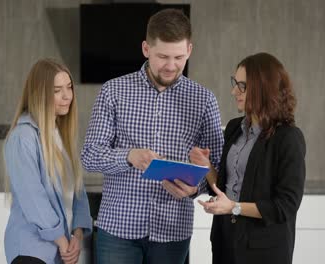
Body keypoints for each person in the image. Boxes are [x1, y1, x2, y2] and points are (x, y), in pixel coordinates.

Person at [81, 8, 224, 264]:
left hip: (172, 231)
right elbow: (89, 156)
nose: (171, 66)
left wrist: (195, 188)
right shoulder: (113, 91)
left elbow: (218, 171)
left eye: (179, 57)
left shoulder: (203, 101)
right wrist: (129, 156)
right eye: (163, 57)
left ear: (190, 50)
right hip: (118, 229)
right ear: (146, 49)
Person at [191, 52, 306, 264]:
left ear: (263, 87)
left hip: (264, 251)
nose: (234, 91)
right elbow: (226, 187)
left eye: (242, 85)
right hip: (225, 242)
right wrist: (206, 166)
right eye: (235, 83)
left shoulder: (288, 138)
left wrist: (234, 207)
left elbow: (285, 206)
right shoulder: (234, 128)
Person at [3, 58, 92, 264]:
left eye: (69, 87)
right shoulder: (23, 137)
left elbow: (78, 192)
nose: (67, 96)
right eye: (56, 90)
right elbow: (34, 198)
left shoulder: (61, 135)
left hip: (59, 250)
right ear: (39, 94)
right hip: (31, 251)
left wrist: (77, 236)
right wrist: (62, 241)